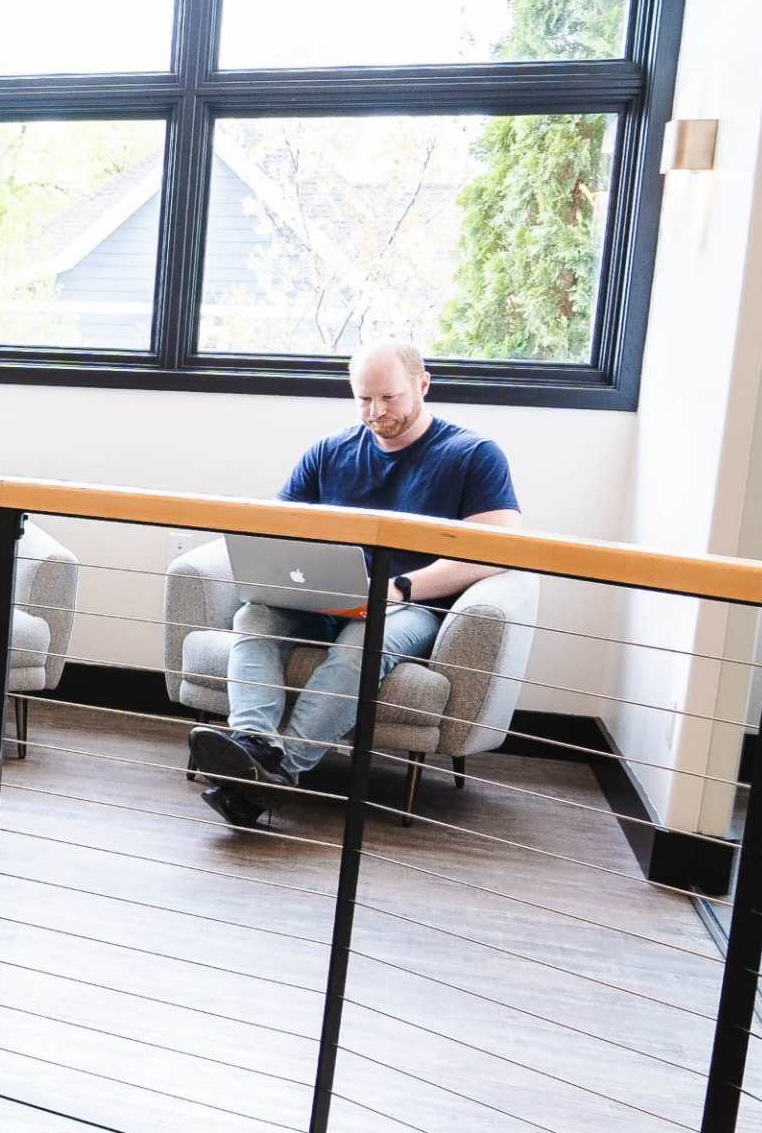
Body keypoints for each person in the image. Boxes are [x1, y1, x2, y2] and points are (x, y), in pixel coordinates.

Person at [188, 342, 523, 828]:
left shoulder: (472, 454)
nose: (376, 411)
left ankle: (277, 770)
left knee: (359, 645)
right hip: (327, 596)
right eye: (364, 399)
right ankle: (254, 745)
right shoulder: (329, 452)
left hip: (411, 603)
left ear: (422, 385)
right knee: (254, 616)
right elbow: (280, 528)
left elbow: (499, 548)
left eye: (389, 398)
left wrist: (399, 588)